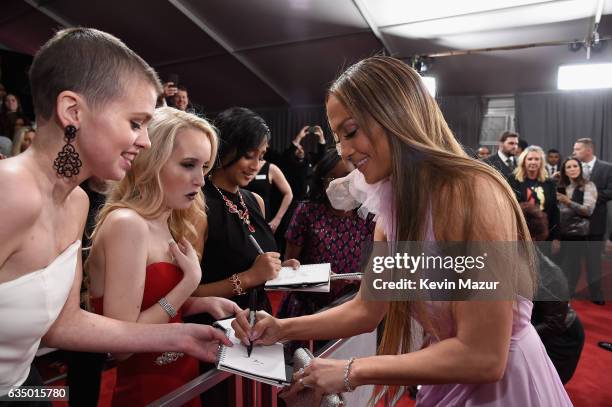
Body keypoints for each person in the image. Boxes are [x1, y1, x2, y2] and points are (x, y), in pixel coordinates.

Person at [232, 56, 572, 406]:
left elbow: (484, 355)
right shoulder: (392, 208)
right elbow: (366, 308)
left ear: (398, 115)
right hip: (451, 378)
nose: (345, 151)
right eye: (338, 138)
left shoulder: (469, 194)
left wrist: (352, 370)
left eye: (351, 132)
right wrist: (283, 328)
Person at [0, 28, 230, 398]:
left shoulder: (76, 203)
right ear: (72, 111)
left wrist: (178, 334)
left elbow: (64, 325)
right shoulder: (10, 191)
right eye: (135, 123)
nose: (145, 140)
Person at [86, 107, 240, 406]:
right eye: (188, 165)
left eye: (204, 167)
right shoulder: (127, 224)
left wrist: (199, 303)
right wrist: (189, 284)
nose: (201, 180)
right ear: (149, 163)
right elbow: (122, 346)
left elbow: (148, 302)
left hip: (182, 378)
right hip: (146, 391)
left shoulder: (168, 221)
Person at [192, 107, 299, 312]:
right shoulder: (198, 203)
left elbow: (256, 261)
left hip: (258, 321)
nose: (255, 165)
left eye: (261, 156)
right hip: (218, 328)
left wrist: (278, 269)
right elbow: (187, 294)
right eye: (249, 155)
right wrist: (249, 277)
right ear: (225, 148)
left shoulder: (255, 201)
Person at [278, 149, 375, 319]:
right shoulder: (307, 211)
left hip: (350, 308)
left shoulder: (368, 216)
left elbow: (372, 267)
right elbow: (289, 269)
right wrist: (320, 279)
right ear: (322, 182)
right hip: (308, 310)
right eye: (331, 178)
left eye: (347, 178)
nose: (339, 185)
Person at [521, 202, 584, 384]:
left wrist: (516, 336)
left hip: (561, 341)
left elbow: (554, 324)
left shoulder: (551, 275)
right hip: (538, 329)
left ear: (531, 238)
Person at [573, 138, 612, 305]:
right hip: (573, 223)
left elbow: (610, 192)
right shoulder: (572, 167)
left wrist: (590, 197)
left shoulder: (607, 168)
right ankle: (569, 291)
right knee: (572, 259)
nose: (574, 152)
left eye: (577, 149)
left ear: (588, 150)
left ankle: (596, 293)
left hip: (596, 223)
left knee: (594, 261)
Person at [556, 157, 597, 297]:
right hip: (558, 232)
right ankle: (557, 294)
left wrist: (568, 202)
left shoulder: (588, 185)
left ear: (580, 168)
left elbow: (588, 210)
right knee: (556, 265)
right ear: (564, 171)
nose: (572, 169)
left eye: (575, 166)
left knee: (573, 267)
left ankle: (569, 295)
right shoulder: (559, 184)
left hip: (577, 233)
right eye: (569, 167)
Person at [509, 145, 561, 254]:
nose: (533, 162)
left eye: (537, 159)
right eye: (530, 159)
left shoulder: (549, 183)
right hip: (519, 235)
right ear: (524, 161)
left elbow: (555, 211)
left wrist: (556, 237)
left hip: (544, 235)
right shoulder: (513, 181)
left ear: (541, 162)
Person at [245, 158, 293, 233]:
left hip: (263, 218)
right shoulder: (242, 165)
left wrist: (277, 220)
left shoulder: (271, 168)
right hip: (243, 216)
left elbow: (288, 193)